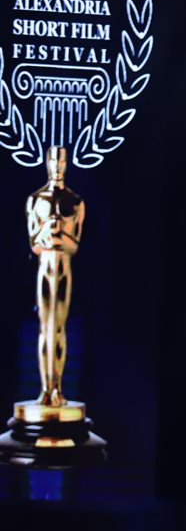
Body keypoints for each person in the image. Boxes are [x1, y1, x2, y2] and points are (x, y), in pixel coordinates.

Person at [26, 146, 84, 408]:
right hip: (45, 267)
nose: (57, 166)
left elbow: (74, 245)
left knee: (58, 327)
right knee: (44, 327)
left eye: (61, 162)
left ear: (66, 164)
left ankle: (57, 388)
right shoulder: (36, 200)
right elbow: (35, 244)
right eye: (53, 161)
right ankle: (45, 390)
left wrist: (58, 236)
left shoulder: (75, 201)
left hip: (63, 268)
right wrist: (50, 232)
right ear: (47, 163)